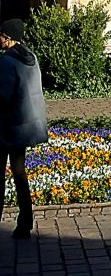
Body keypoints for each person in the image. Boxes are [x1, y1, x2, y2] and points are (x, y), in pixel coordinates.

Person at [0, 19, 48, 239]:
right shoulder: (31, 58)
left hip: (7, 126)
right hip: (25, 125)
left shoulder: (7, 62)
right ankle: (25, 221)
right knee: (19, 173)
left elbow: (3, 95)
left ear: (8, 39)